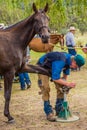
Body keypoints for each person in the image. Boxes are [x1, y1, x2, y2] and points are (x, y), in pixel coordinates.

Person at [37, 51, 85, 121]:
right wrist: (67, 84)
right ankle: (49, 112)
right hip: (42, 67)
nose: (75, 68)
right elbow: (55, 78)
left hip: (53, 68)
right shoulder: (61, 60)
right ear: (74, 61)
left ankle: (59, 108)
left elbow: (64, 77)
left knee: (63, 87)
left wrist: (65, 85)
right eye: (76, 66)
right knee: (45, 88)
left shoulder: (69, 61)